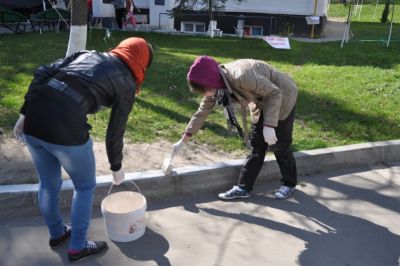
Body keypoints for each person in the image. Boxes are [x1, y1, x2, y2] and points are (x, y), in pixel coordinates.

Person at [13, 37, 153, 262]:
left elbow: (42, 73)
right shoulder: (126, 82)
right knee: (85, 186)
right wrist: (116, 167)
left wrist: (24, 113)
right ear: (142, 62)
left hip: (34, 120)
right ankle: (78, 247)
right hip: (66, 126)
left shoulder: (87, 53)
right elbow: (115, 132)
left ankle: (57, 233)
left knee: (48, 185)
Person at [172, 56, 298, 200]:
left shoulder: (241, 76)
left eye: (203, 91)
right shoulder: (216, 86)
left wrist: (269, 125)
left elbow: (274, 93)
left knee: (280, 144)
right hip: (263, 99)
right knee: (257, 145)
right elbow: (201, 113)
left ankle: (289, 184)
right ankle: (243, 188)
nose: (204, 95)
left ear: (210, 83)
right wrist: (183, 141)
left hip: (282, 94)